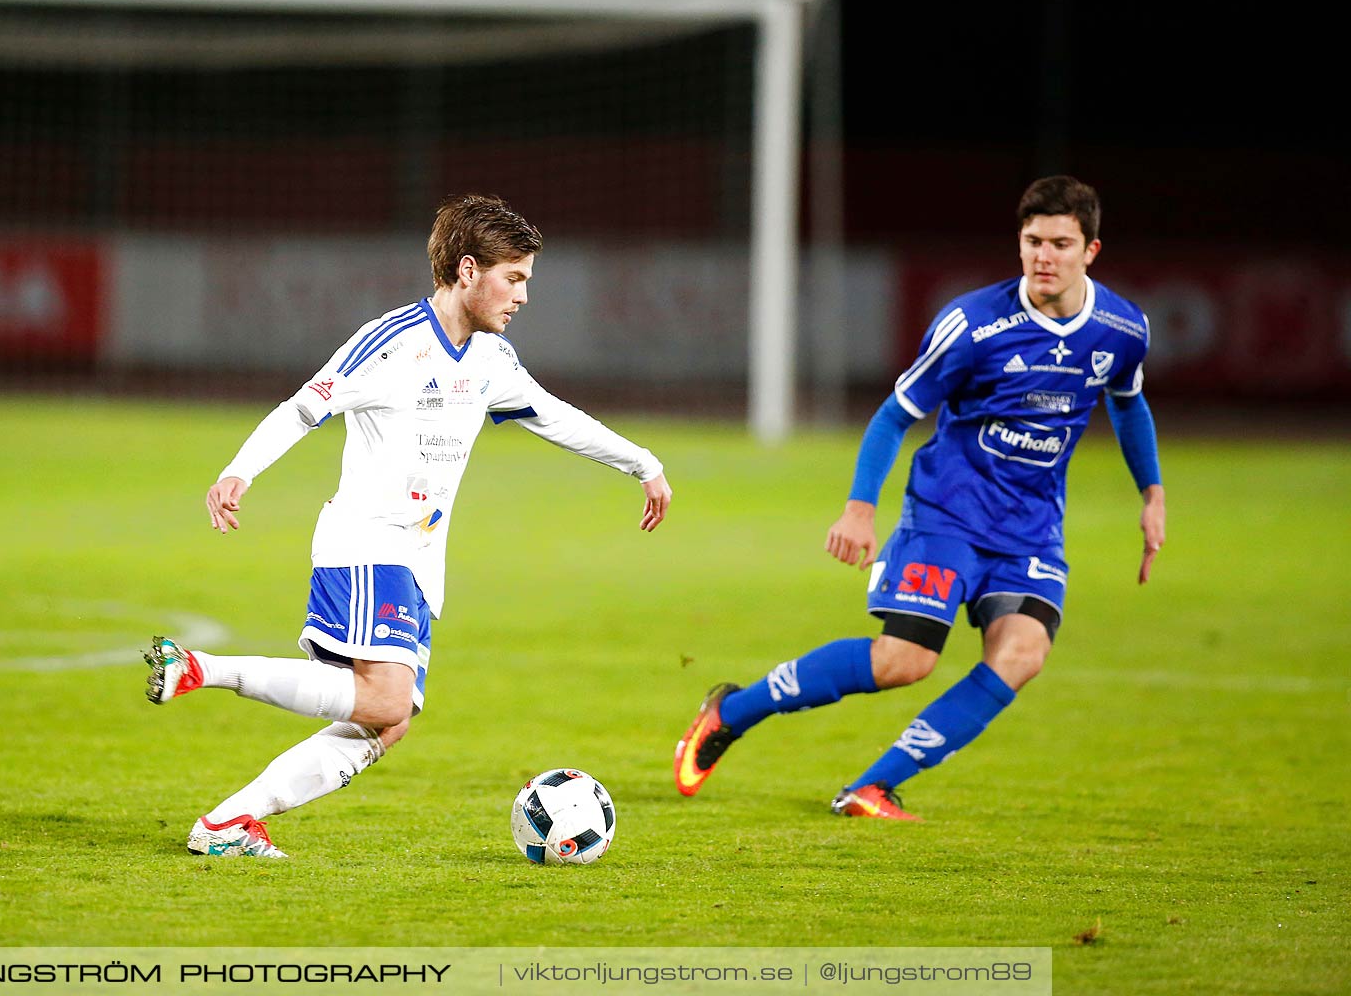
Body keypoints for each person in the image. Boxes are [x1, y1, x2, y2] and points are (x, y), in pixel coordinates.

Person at [146, 194, 673, 857]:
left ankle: (226, 824)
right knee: (388, 702)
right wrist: (237, 472)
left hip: (419, 563)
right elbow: (303, 407)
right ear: (468, 271)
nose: (523, 296)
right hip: (366, 545)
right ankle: (203, 669)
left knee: (383, 725)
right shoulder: (390, 345)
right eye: (515, 278)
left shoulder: (490, 362)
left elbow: (556, 416)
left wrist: (642, 464)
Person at [674, 176, 1166, 819]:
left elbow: (1128, 405)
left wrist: (1151, 493)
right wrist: (860, 506)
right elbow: (893, 415)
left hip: (1031, 531)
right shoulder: (975, 324)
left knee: (1022, 655)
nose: (1044, 256)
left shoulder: (1122, 328)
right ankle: (729, 712)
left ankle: (870, 787)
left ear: (1091, 251)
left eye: (1061, 244)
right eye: (1032, 241)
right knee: (904, 662)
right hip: (948, 517)